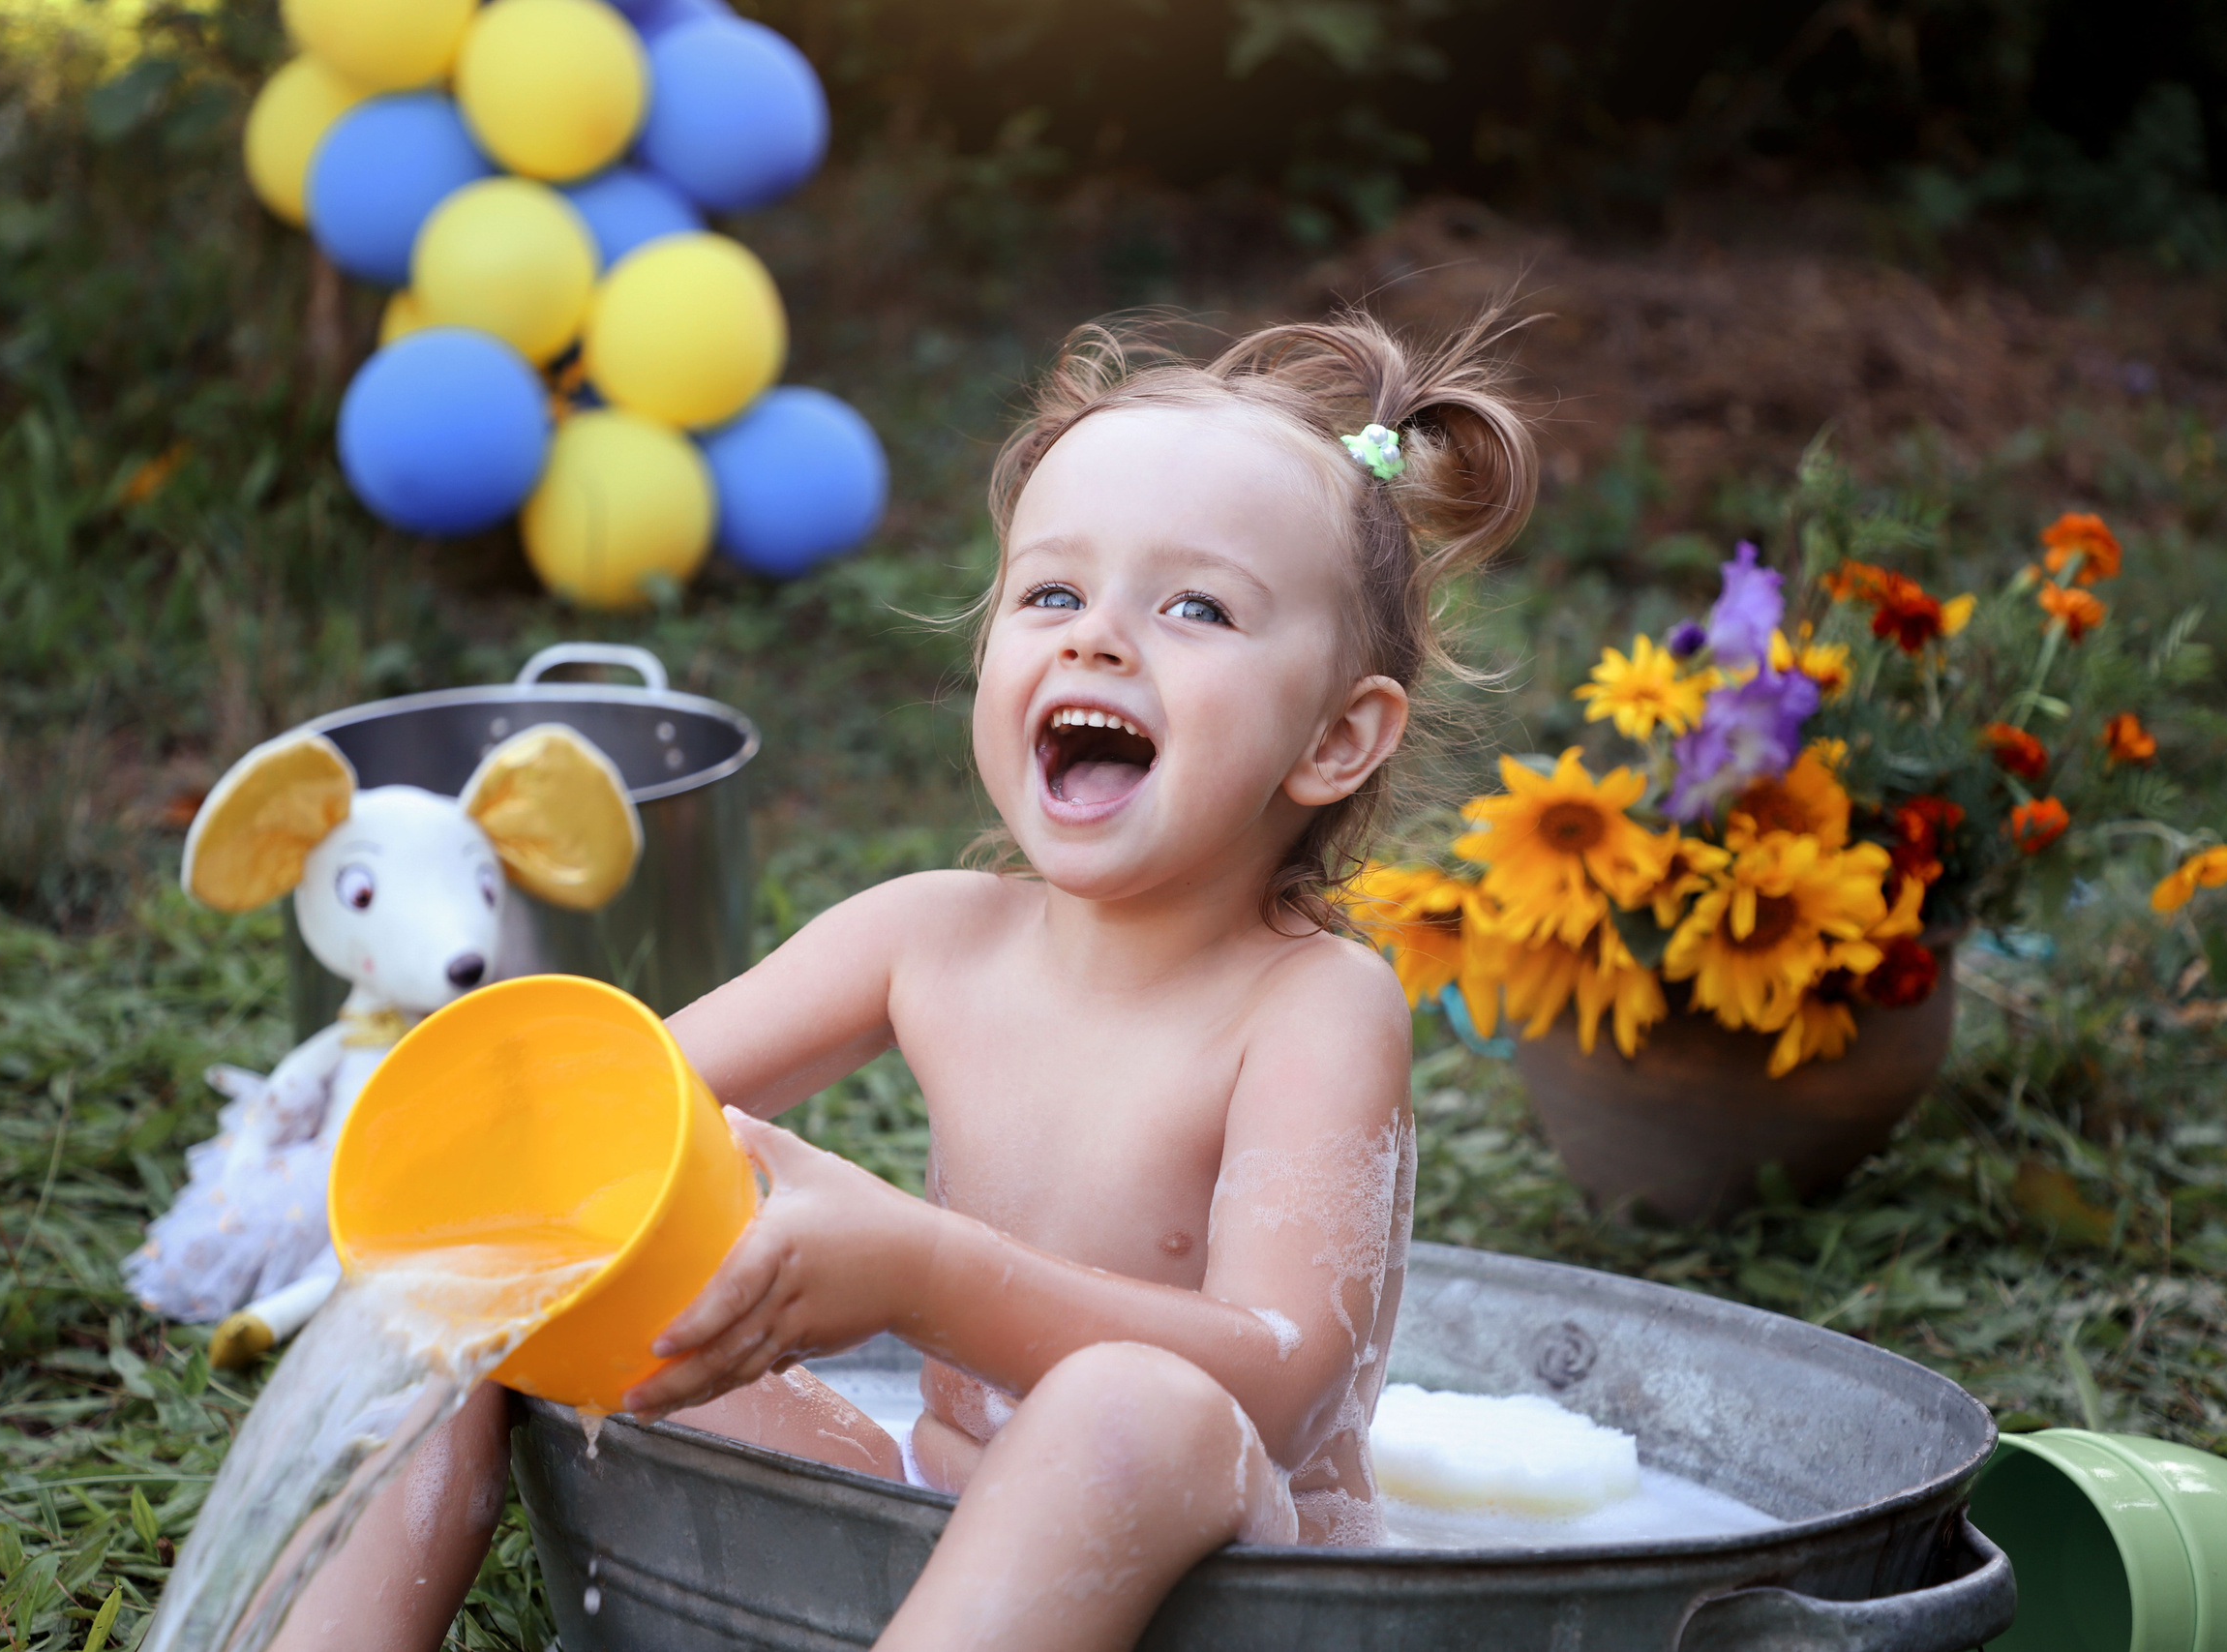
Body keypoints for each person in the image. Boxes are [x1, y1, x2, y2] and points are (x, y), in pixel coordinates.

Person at [266, 308, 1540, 1652]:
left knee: (1129, 1402)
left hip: (1242, 1575)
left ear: (1339, 738)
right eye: (1053, 592)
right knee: (479, 1266)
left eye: (1196, 607)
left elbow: (1277, 1389)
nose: (1097, 640)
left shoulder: (1310, 1009)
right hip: (924, 1520)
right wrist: (484, 1176)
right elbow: (603, 1119)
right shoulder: (930, 937)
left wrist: (922, 1275)